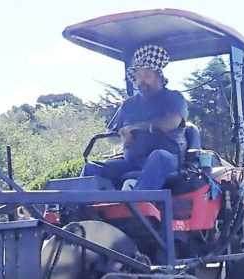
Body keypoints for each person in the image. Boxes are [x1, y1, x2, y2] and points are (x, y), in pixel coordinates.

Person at [81, 44, 189, 190]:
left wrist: (134, 128)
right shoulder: (129, 105)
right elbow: (112, 137)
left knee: (159, 156)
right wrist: (122, 136)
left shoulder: (173, 98)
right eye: (138, 76)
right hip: (132, 162)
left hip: (168, 159)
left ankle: (138, 202)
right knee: (91, 168)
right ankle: (81, 209)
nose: (142, 80)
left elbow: (171, 122)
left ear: (159, 76)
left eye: (147, 75)